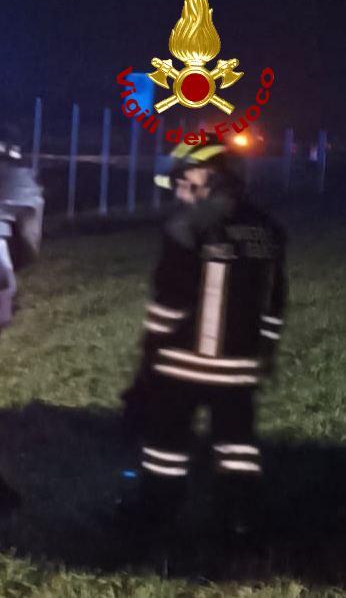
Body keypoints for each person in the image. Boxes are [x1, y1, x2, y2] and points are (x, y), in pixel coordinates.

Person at [119, 142, 287, 532]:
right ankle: (240, 517)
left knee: (166, 443)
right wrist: (266, 351)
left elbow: (169, 302)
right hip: (241, 367)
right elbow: (275, 301)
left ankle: (155, 514)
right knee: (236, 444)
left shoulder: (186, 228)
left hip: (183, 363)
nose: (179, 193)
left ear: (210, 178)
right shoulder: (268, 230)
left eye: (184, 181)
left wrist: (148, 361)